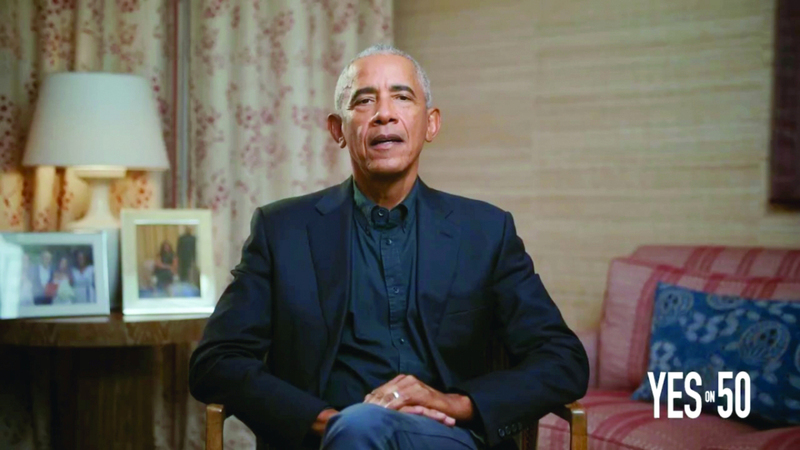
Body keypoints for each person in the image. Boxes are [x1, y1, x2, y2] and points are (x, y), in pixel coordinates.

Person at [189, 45, 589, 450]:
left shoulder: (485, 232)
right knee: (360, 427)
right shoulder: (282, 231)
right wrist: (326, 422)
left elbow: (563, 359)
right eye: (364, 101)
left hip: (447, 438)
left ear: (431, 123)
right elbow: (216, 361)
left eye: (402, 97)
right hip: (326, 439)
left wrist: (456, 403)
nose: (384, 113)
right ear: (337, 130)